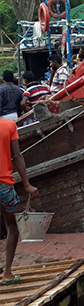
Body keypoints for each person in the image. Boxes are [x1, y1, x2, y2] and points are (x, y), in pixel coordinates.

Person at [0, 118, 38, 285]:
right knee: (11, 227)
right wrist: (27, 184)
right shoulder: (9, 125)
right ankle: (7, 273)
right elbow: (17, 156)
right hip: (4, 185)